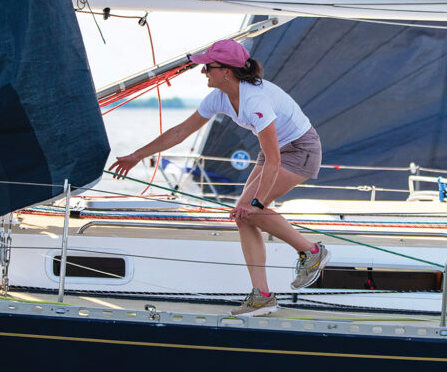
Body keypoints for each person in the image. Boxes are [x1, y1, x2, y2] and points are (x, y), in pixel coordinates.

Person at [111, 39, 330, 316]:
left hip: (300, 150)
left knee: (251, 211)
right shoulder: (219, 97)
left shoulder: (255, 101)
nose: (204, 72)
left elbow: (273, 159)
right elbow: (180, 132)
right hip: (275, 151)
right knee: (243, 215)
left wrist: (259, 203)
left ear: (226, 71)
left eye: (208, 67)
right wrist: (137, 155)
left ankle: (311, 251)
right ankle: (262, 296)